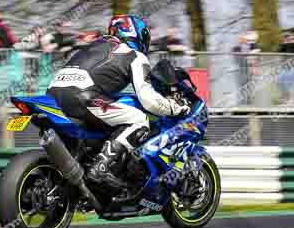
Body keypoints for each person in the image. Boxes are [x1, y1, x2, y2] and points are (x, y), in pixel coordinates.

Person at [46, 15, 190, 191]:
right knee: (139, 119)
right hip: (82, 97)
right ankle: (101, 167)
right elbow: (149, 101)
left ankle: (85, 164)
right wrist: (175, 108)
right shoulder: (134, 55)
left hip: (52, 95)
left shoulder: (91, 46)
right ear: (137, 34)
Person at [14, 26, 48, 94]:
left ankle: (30, 89)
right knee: (30, 74)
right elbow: (20, 46)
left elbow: (44, 49)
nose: (42, 31)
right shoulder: (30, 37)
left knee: (33, 74)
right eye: (40, 29)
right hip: (29, 57)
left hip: (35, 58)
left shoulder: (40, 38)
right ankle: (28, 89)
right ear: (35, 30)